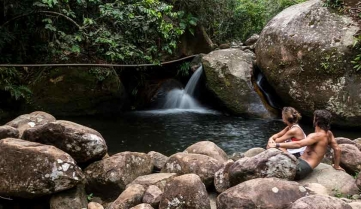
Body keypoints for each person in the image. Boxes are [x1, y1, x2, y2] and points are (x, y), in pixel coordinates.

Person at [268, 109, 344, 180]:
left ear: (316, 121)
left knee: (271, 163)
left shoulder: (315, 136)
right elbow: (337, 149)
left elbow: (299, 144)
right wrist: (336, 166)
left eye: (314, 118)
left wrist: (277, 145)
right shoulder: (329, 134)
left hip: (301, 168)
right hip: (303, 165)